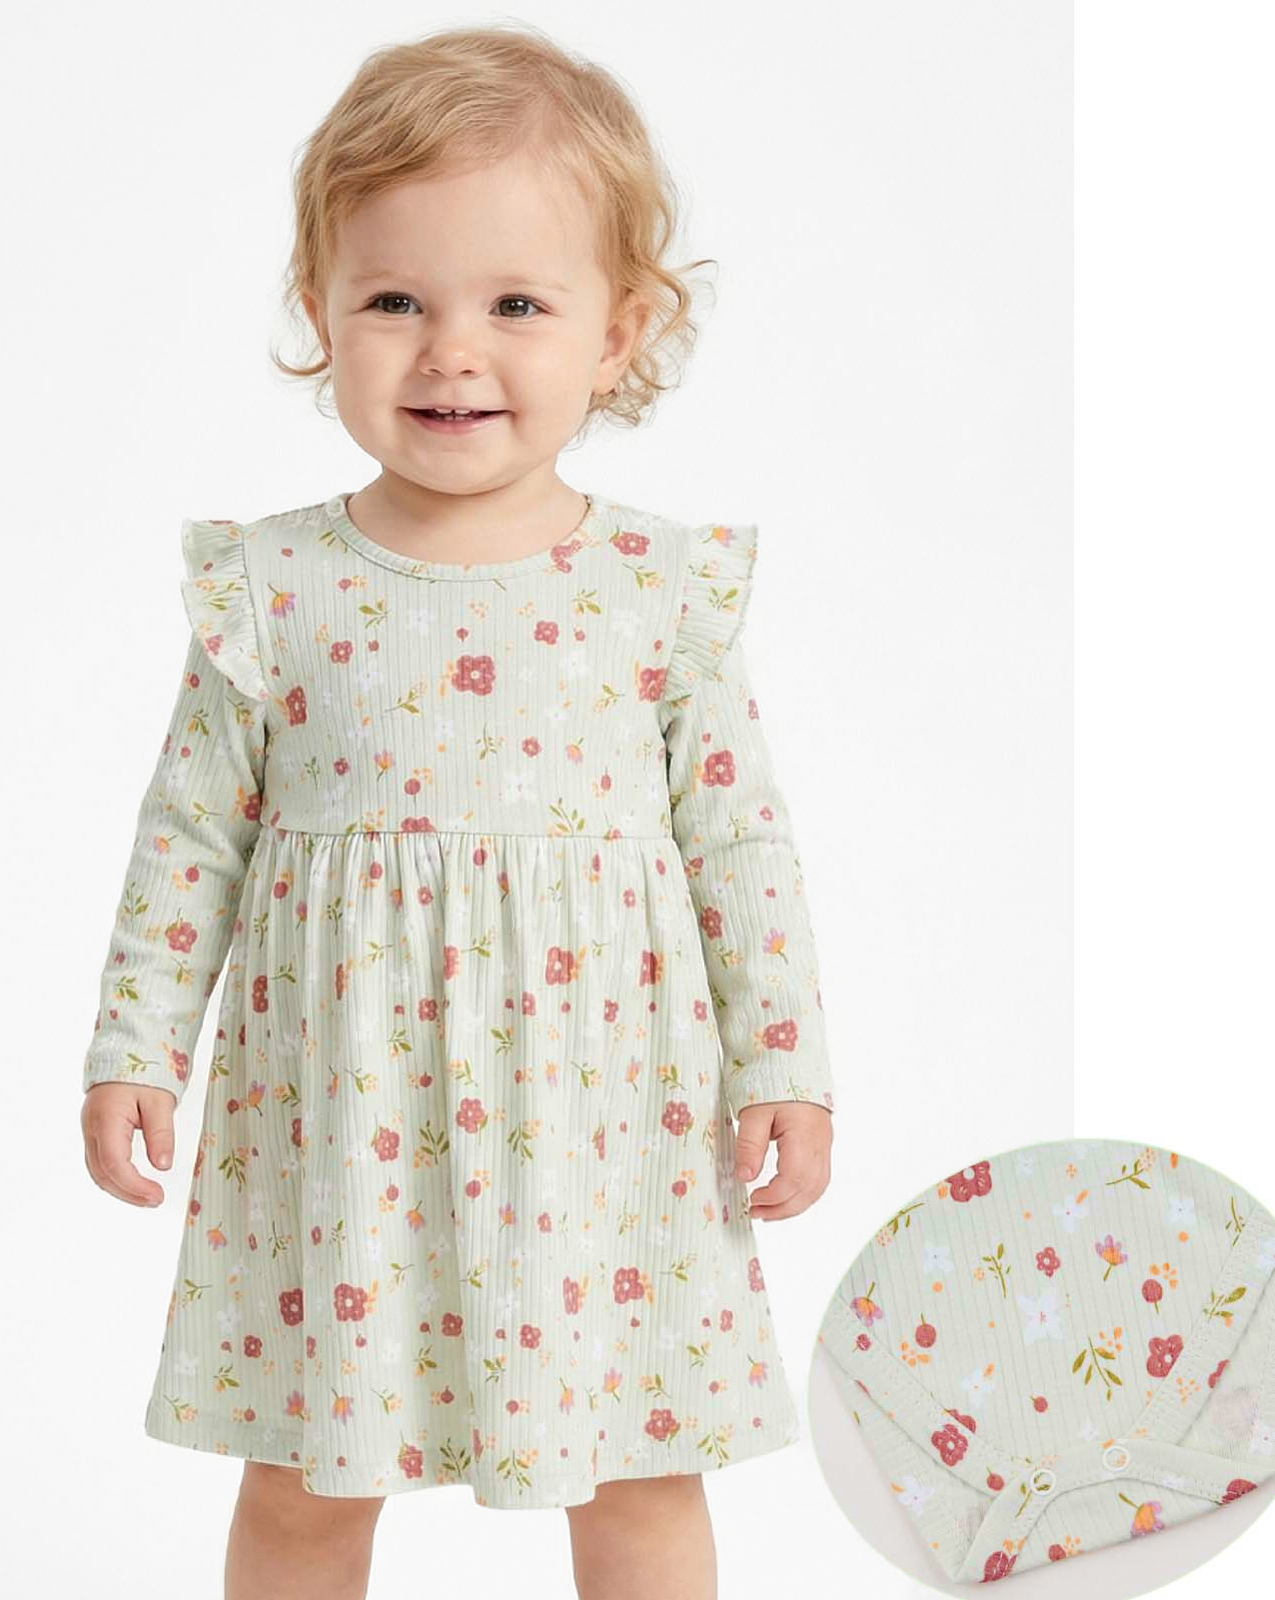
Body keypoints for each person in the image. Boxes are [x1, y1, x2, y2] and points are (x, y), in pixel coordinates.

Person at [79, 22, 836, 1600]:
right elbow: (190, 839)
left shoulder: (659, 592)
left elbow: (739, 843)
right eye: (395, 302)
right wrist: (136, 1045)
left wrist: (783, 1062)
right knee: (304, 1483)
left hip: (605, 1128)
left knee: (639, 1475)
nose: (451, 353)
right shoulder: (275, 588)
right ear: (319, 313)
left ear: (622, 330)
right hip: (339, 1122)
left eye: (516, 305)